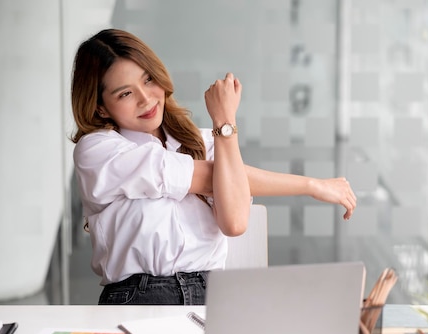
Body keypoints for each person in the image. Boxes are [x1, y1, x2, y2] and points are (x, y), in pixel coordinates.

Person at [70, 29, 357, 305]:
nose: (146, 99)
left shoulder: (208, 140)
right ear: (101, 108)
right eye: (125, 94)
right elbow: (211, 177)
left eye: (147, 80)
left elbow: (234, 222)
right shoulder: (98, 150)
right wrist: (311, 185)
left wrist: (222, 128)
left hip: (215, 294)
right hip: (141, 295)